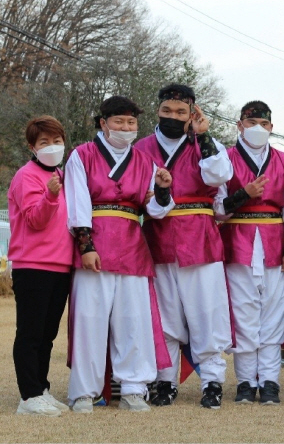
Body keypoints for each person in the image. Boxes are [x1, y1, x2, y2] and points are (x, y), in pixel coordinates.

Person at [65, 96, 174, 413]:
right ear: (103, 123)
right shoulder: (82, 156)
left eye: (131, 123)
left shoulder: (144, 161)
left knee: (134, 320)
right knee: (89, 320)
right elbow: (77, 202)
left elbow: (155, 209)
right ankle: (85, 391)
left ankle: (133, 388)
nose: (126, 128)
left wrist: (164, 189)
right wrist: (85, 245)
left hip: (132, 246)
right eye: (119, 122)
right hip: (95, 245)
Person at [133, 84, 233, 409]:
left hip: (200, 237)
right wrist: (160, 195)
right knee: (165, 317)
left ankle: (213, 381)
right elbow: (143, 197)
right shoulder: (142, 148)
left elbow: (220, 175)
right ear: (158, 111)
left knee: (207, 312)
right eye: (167, 111)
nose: (173, 117)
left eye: (181, 112)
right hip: (159, 237)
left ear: (193, 114)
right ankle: (165, 380)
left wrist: (202, 136)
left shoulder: (205, 144)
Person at [216, 100, 284, 405]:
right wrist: (244, 194)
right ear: (239, 125)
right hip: (238, 240)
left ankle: (269, 381)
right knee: (243, 313)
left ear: (271, 127)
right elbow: (216, 208)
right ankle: (244, 381)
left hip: (273, 241)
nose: (257, 129)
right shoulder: (224, 159)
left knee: (273, 312)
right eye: (250, 122)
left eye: (263, 124)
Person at [8, 116, 73, 416]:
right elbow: (35, 219)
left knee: (47, 333)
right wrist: (50, 195)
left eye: (56, 141)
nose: (52, 147)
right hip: (33, 265)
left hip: (61, 265)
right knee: (31, 332)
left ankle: (41, 389)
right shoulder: (27, 175)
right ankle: (28, 395)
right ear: (32, 147)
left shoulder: (62, 173)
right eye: (44, 142)